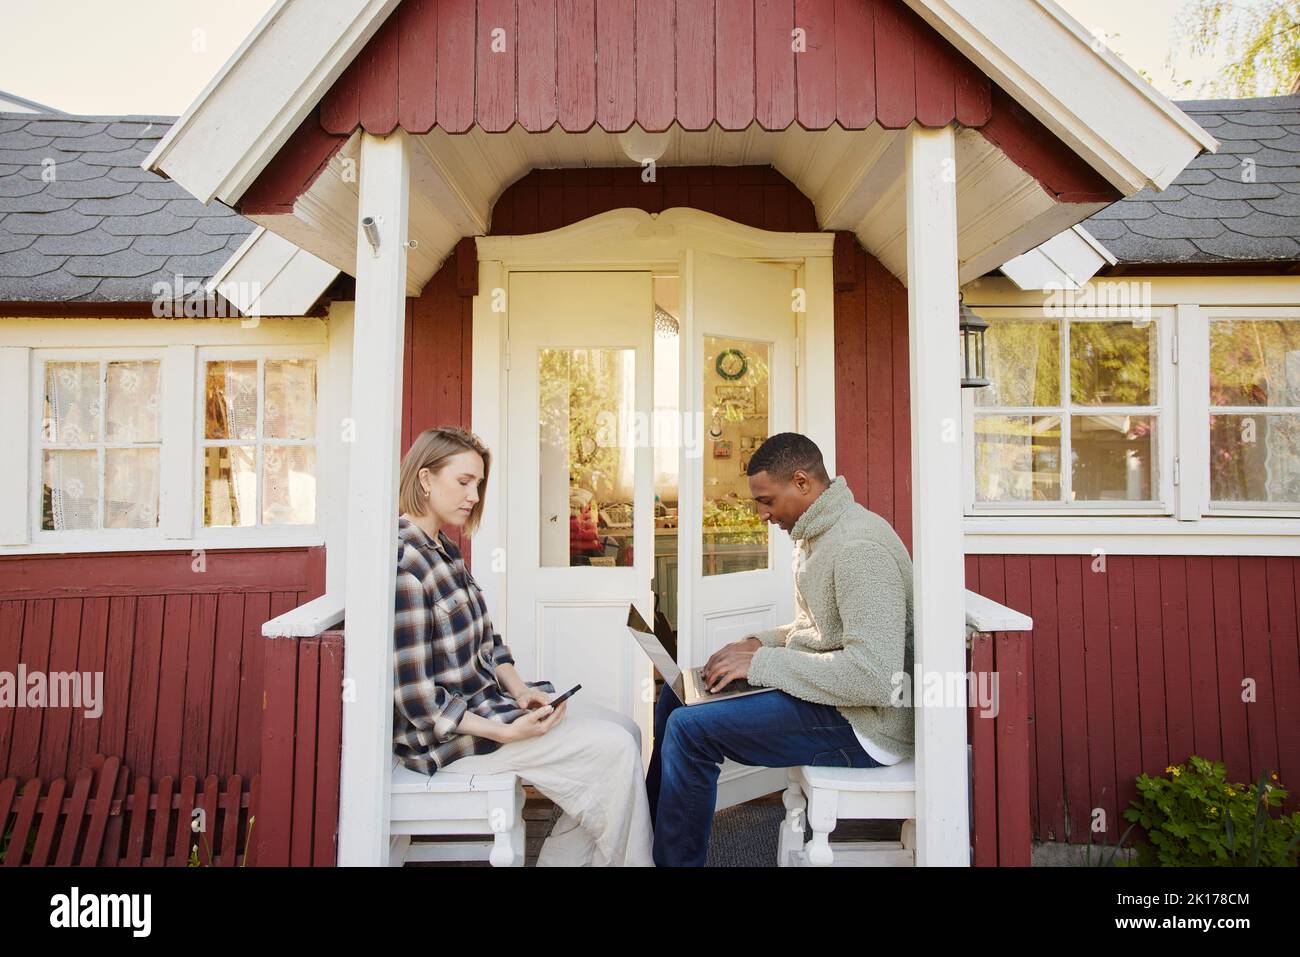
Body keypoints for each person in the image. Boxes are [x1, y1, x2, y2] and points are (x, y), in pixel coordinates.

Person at [645, 432, 915, 867]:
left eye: (767, 501)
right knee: (675, 696)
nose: (762, 514)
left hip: (866, 727)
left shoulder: (858, 548)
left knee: (690, 732)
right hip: (835, 701)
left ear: (803, 482)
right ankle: (649, 842)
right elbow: (818, 630)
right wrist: (759, 643)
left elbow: (874, 678)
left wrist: (762, 663)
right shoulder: (817, 536)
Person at [393, 426, 653, 866]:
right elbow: (418, 701)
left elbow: (489, 643)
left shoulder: (445, 550)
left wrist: (519, 691)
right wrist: (505, 731)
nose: (474, 495)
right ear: (424, 479)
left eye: (478, 484)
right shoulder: (406, 565)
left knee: (626, 730)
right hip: (450, 741)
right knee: (615, 753)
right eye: (463, 482)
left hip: (492, 706)